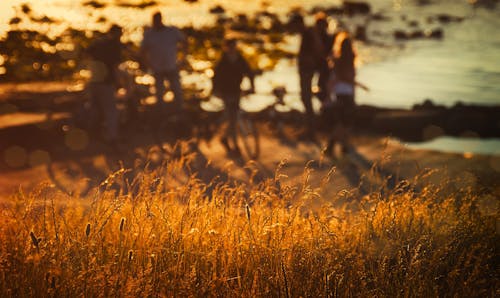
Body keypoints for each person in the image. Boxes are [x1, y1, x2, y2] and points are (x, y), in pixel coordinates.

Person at [288, 13, 330, 139]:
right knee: (309, 98)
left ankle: (311, 130)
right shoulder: (309, 33)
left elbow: (316, 53)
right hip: (310, 70)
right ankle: (314, 127)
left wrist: (309, 66)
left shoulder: (308, 34)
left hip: (308, 71)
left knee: (306, 98)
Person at [212, 38, 255, 156]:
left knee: (233, 118)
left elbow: (249, 72)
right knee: (232, 118)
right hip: (225, 92)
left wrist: (252, 86)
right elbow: (215, 77)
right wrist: (215, 90)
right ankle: (234, 145)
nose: (232, 49)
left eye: (233, 46)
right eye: (230, 46)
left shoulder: (240, 59)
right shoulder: (223, 61)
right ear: (226, 47)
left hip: (236, 91)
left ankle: (225, 138)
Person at [140, 11, 187, 115]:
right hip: (157, 69)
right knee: (159, 93)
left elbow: (184, 42)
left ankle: (180, 113)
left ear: (160, 19)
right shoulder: (149, 34)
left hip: (172, 67)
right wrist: (148, 65)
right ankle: (161, 115)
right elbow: (142, 51)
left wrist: (183, 59)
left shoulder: (172, 31)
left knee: (177, 91)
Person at [323, 32, 361, 157]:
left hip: (339, 94)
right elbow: (350, 81)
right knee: (346, 124)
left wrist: (329, 95)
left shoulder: (337, 61)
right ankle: (335, 146)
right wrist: (354, 97)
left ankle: (339, 147)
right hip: (347, 95)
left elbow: (332, 81)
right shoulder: (350, 61)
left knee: (342, 123)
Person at [85, 24, 123, 145]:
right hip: (106, 82)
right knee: (111, 111)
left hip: (94, 81)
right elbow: (115, 67)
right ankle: (112, 138)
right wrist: (118, 82)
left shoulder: (98, 43)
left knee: (95, 109)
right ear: (117, 34)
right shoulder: (115, 46)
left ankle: (92, 135)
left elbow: (87, 53)